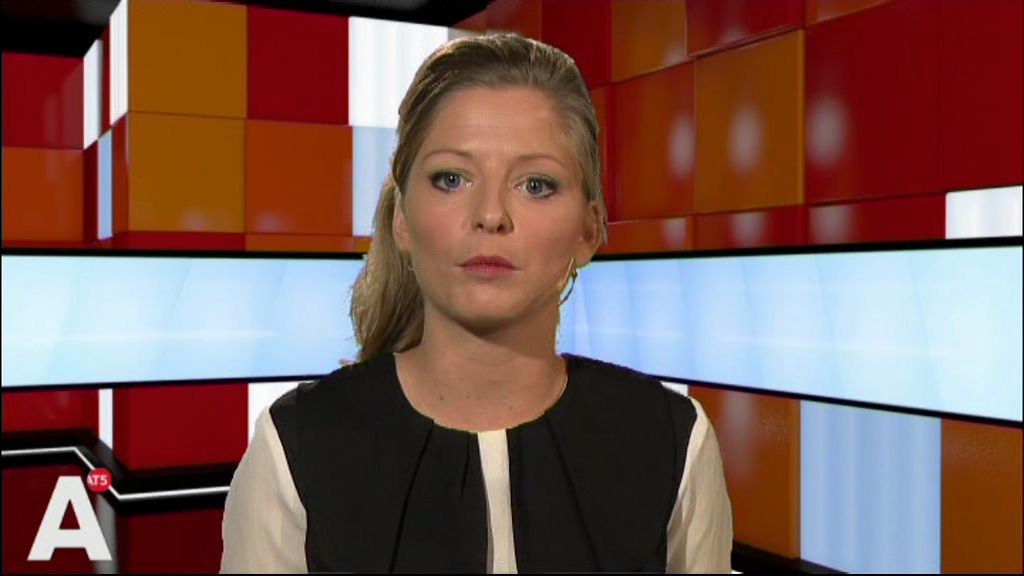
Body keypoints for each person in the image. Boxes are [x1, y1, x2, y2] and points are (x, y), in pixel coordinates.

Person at [221, 32, 732, 573]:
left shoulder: (671, 442)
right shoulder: (295, 448)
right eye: (451, 179)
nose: (491, 215)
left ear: (589, 229)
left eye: (536, 185)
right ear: (401, 219)